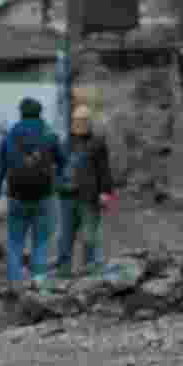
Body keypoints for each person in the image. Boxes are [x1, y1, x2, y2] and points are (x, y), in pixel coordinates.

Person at [0, 97, 66, 286]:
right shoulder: (50, 135)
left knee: (15, 241)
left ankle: (15, 281)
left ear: (21, 112)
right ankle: (38, 279)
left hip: (17, 196)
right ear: (40, 112)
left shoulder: (9, 136)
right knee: (40, 240)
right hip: (44, 196)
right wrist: (59, 184)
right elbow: (64, 163)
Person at [55, 104, 116, 277]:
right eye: (77, 120)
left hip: (88, 197)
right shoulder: (65, 142)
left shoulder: (97, 144)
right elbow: (58, 167)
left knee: (89, 236)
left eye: (83, 120)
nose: (80, 124)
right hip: (67, 197)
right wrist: (58, 184)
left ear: (89, 122)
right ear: (73, 122)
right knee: (65, 237)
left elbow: (104, 170)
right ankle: (63, 271)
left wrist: (105, 193)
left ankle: (88, 272)